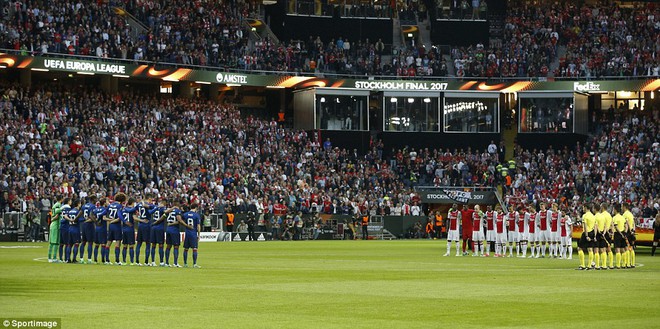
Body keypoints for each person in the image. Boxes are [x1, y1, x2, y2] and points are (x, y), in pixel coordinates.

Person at [106, 193, 127, 265]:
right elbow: (119, 218)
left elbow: (105, 215)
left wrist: (109, 220)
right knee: (118, 242)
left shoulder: (110, 205)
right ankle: (117, 260)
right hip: (117, 226)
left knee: (109, 242)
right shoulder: (119, 206)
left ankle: (107, 260)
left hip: (110, 226)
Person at [135, 195, 154, 266]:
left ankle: (137, 261)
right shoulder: (150, 205)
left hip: (140, 225)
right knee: (148, 243)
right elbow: (149, 207)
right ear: (148, 198)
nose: (151, 201)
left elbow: (135, 211)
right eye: (151, 199)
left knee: (139, 243)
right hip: (147, 225)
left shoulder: (138, 205)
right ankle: (146, 262)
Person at [164, 200, 184, 267]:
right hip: (174, 230)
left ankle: (166, 263)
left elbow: (165, 213)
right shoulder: (178, 211)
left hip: (168, 229)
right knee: (176, 246)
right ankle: (175, 263)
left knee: (168, 246)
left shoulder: (170, 211)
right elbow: (179, 220)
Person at [578, 203, 597, 270]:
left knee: (580, 248)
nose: (583, 209)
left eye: (583, 207)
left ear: (586, 207)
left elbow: (585, 226)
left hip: (586, 232)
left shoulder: (585, 216)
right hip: (592, 233)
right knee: (590, 249)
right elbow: (595, 226)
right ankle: (589, 265)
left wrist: (586, 236)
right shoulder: (593, 216)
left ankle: (582, 265)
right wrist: (594, 236)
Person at [182, 202, 202, 268]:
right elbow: (198, 226)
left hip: (187, 233)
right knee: (195, 249)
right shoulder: (196, 215)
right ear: (196, 208)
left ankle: (185, 264)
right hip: (193, 234)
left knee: (186, 249)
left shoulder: (185, 214)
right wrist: (199, 234)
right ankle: (194, 264)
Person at [79, 196, 97, 264]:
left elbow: (80, 213)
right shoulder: (93, 206)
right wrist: (96, 222)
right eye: (95, 199)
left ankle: (81, 258)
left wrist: (75, 219)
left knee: (83, 242)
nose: (96, 200)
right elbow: (91, 215)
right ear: (93, 199)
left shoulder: (84, 206)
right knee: (90, 242)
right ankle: (89, 259)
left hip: (84, 225)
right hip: (89, 225)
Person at [149, 200, 167, 266]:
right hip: (159, 228)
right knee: (160, 245)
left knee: (153, 245)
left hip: (153, 228)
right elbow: (165, 213)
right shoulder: (163, 209)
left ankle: (153, 262)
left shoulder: (154, 208)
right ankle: (161, 262)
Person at [121, 198, 138, 265]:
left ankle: (124, 261)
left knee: (124, 246)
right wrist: (139, 219)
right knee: (131, 246)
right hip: (130, 229)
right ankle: (131, 261)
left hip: (124, 229)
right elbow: (134, 218)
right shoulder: (133, 210)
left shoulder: (124, 209)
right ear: (133, 203)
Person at [47, 195, 64, 263]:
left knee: (51, 242)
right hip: (56, 225)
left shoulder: (54, 205)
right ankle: (53, 258)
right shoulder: (58, 205)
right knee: (55, 242)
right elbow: (57, 214)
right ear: (61, 199)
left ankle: (50, 257)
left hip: (53, 225)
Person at [65, 199, 82, 263]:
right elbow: (81, 219)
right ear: (78, 204)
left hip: (70, 228)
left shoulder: (70, 211)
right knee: (76, 244)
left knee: (69, 245)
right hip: (75, 229)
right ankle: (74, 259)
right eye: (80, 203)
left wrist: (70, 220)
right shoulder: (78, 212)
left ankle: (68, 259)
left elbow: (65, 216)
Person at [93, 198, 109, 264]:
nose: (108, 202)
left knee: (96, 245)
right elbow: (104, 218)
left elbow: (93, 217)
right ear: (104, 203)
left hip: (97, 228)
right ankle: (103, 260)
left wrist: (95, 222)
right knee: (103, 244)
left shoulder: (96, 209)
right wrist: (111, 219)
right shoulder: (104, 210)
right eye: (107, 201)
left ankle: (95, 260)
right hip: (102, 228)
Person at [598, 203, 614, 269]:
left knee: (602, 249)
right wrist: (612, 233)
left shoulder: (601, 215)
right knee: (609, 249)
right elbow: (612, 224)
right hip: (609, 232)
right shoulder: (609, 215)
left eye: (600, 206)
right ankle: (611, 264)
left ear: (603, 207)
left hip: (603, 232)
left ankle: (603, 265)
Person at [622, 203, 635, 268]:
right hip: (632, 231)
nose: (621, 208)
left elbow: (626, 223)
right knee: (631, 248)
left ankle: (627, 263)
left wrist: (629, 230)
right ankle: (632, 263)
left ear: (624, 207)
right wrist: (633, 230)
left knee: (626, 247)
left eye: (622, 207)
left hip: (628, 232)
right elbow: (633, 223)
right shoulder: (631, 214)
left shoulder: (625, 214)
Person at [58, 198, 72, 262]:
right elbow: (66, 216)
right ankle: (66, 258)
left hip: (61, 226)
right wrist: (71, 220)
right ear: (68, 201)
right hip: (66, 227)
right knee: (67, 243)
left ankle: (61, 258)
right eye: (70, 201)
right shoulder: (68, 208)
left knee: (61, 244)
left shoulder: (61, 208)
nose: (71, 202)